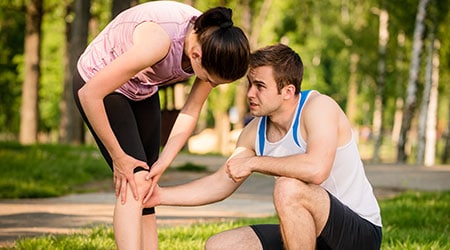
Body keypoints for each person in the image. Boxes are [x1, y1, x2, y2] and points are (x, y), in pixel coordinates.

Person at [144, 43, 382, 249]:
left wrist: (254, 162)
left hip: (359, 233)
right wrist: (160, 195)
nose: (250, 93)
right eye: (249, 84)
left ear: (287, 91)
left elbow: (317, 169)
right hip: (309, 234)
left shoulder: (319, 108)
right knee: (220, 246)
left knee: (288, 187)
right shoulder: (254, 131)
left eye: (260, 86)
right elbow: (220, 182)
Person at [72, 1, 250, 249]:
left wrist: (163, 162)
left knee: (148, 184)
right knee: (134, 181)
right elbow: (89, 94)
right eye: (209, 79)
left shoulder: (213, 42)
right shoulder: (159, 42)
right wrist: (119, 158)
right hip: (99, 83)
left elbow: (191, 109)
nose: (209, 84)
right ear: (196, 55)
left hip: (142, 87)